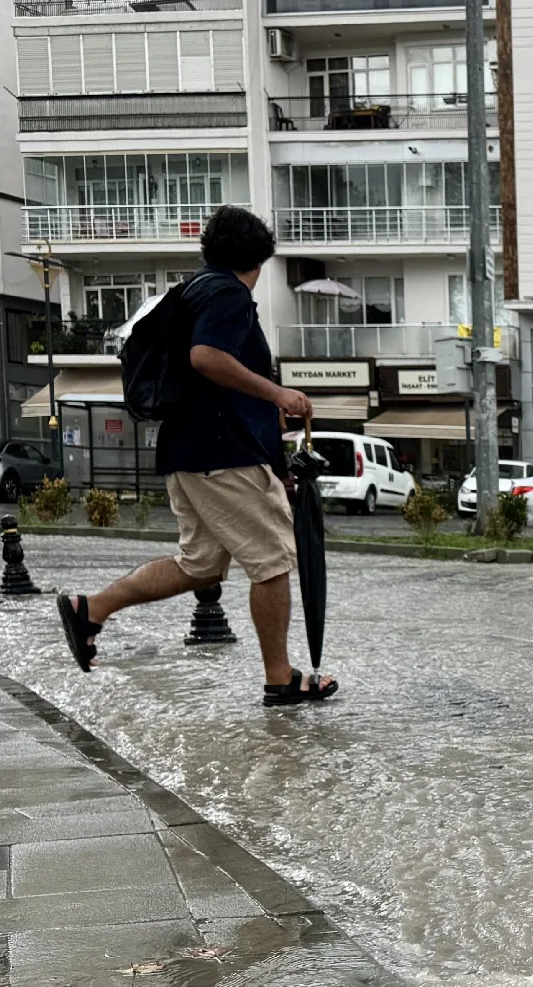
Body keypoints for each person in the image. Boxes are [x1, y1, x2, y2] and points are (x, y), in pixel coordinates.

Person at [55, 205, 339, 706]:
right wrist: (277, 395)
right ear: (258, 258)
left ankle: (90, 608)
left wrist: (261, 407)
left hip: (188, 451)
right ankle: (280, 677)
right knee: (271, 562)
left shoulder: (192, 290)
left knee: (200, 565)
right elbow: (205, 357)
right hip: (223, 452)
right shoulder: (230, 294)